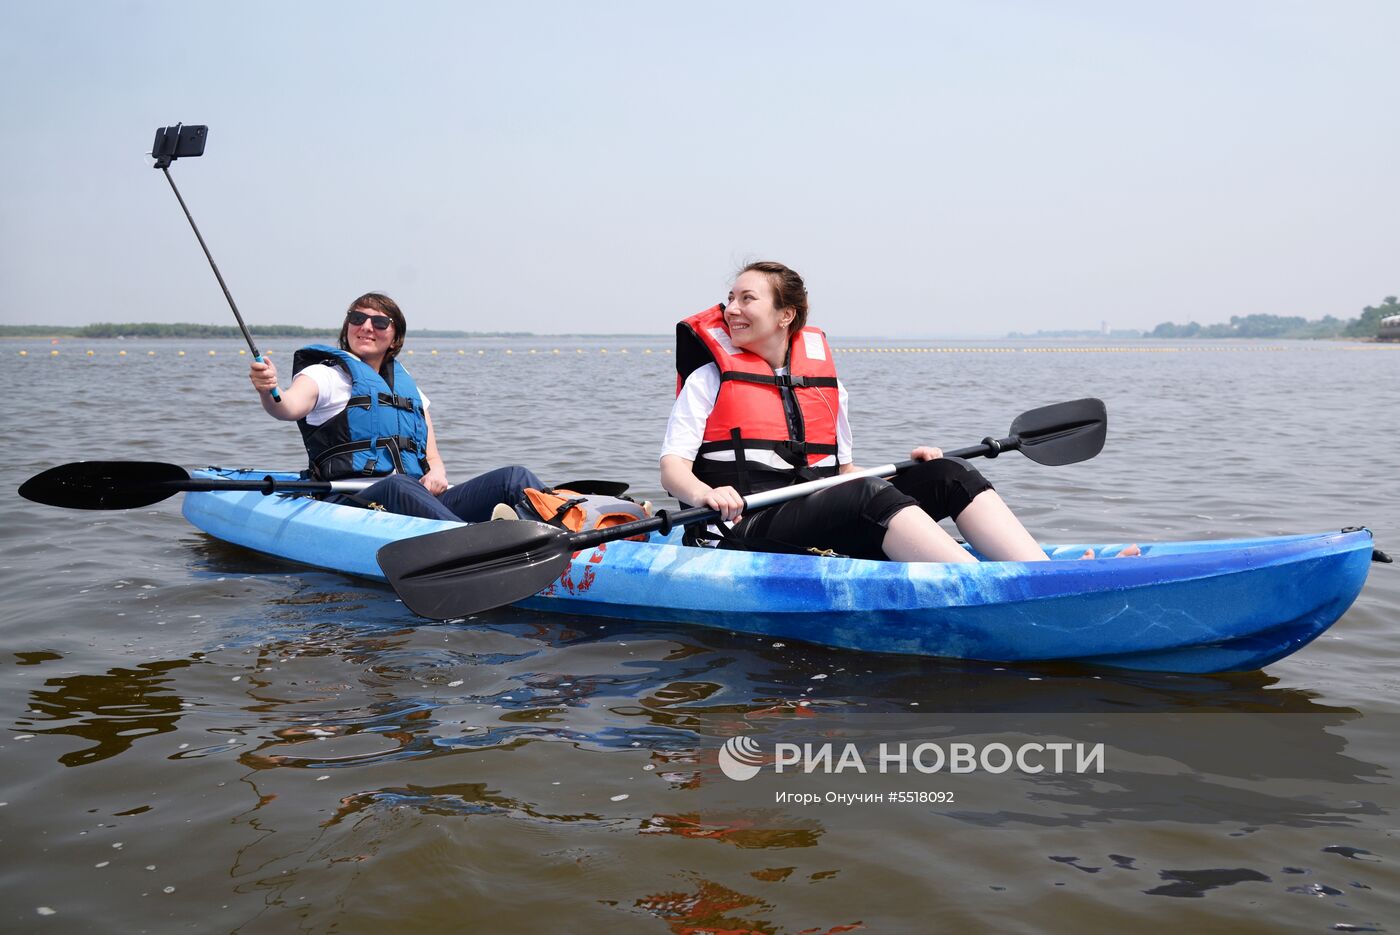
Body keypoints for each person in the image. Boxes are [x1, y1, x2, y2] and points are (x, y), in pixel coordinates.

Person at [661, 261, 1137, 562]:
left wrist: (905, 474)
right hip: (743, 530)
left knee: (948, 472)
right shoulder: (709, 381)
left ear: (786, 316)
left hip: (813, 516)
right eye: (730, 299)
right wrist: (705, 493)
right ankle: (994, 591)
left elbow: (843, 471)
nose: (731, 310)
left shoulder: (827, 389)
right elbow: (672, 471)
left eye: (747, 299)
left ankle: (1038, 575)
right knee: (865, 494)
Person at [249, 292, 542, 522]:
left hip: (417, 499)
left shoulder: (407, 387)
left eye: (379, 322)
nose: (366, 327)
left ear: (395, 338)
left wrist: (437, 473)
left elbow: (433, 457)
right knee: (398, 485)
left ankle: (569, 531)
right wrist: (269, 390)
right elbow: (286, 407)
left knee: (514, 477)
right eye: (357, 318)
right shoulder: (324, 375)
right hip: (353, 502)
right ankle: (483, 541)